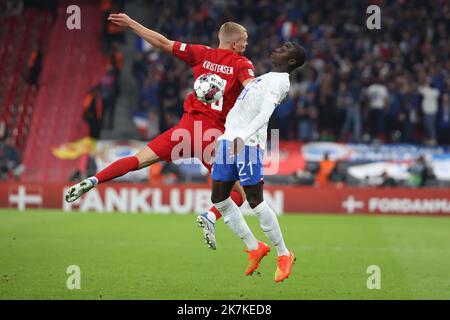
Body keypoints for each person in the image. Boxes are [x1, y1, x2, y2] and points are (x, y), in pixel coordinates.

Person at [65, 13, 256, 250]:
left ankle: (94, 179)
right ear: (235, 43)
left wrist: (132, 24)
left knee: (137, 160)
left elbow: (163, 43)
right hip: (212, 138)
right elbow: (251, 89)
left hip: (185, 130)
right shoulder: (243, 64)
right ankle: (209, 216)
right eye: (245, 40)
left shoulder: (201, 53)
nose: (247, 44)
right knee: (237, 193)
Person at [210, 42, 306, 282]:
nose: (277, 49)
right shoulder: (265, 77)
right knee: (219, 198)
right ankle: (255, 247)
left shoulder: (281, 81)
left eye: (284, 48)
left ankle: (284, 254)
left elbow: (265, 114)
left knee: (255, 200)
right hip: (228, 140)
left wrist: (244, 135)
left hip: (248, 143)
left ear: (291, 61)